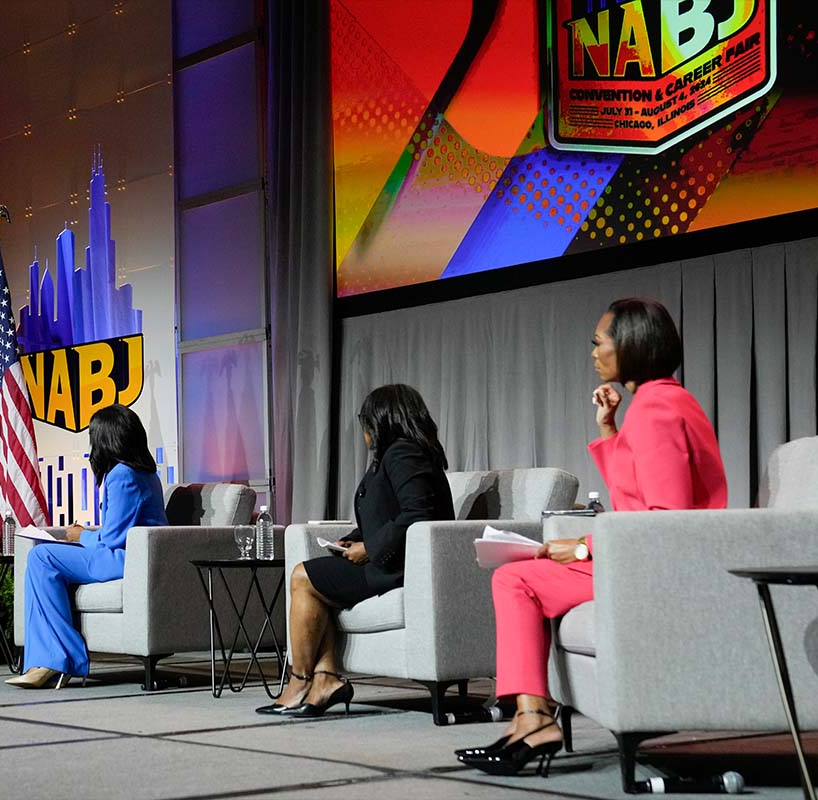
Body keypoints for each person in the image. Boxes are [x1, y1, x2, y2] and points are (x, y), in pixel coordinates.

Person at [458, 297, 727, 776]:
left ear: (631, 344)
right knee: (521, 574)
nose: (593, 352)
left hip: (657, 568)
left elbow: (665, 521)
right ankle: (529, 716)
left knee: (515, 580)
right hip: (644, 558)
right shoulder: (659, 401)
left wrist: (585, 547)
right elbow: (637, 496)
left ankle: (533, 719)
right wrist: (608, 429)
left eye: (599, 342)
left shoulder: (658, 408)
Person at [257, 384, 455, 717]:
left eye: (365, 421)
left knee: (303, 576)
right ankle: (325, 680)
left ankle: (300, 682)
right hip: (390, 561)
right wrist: (352, 540)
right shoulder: (399, 455)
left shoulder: (403, 453)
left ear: (382, 420)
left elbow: (418, 515)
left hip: (400, 567)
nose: (364, 430)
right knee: (316, 581)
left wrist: (370, 549)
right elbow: (386, 515)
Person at [7, 404, 167, 688]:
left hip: (124, 559)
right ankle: (51, 659)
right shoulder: (145, 474)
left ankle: (57, 660)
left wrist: (80, 536)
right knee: (44, 560)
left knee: (42, 557)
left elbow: (112, 539)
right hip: (130, 556)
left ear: (106, 439)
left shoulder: (122, 475)